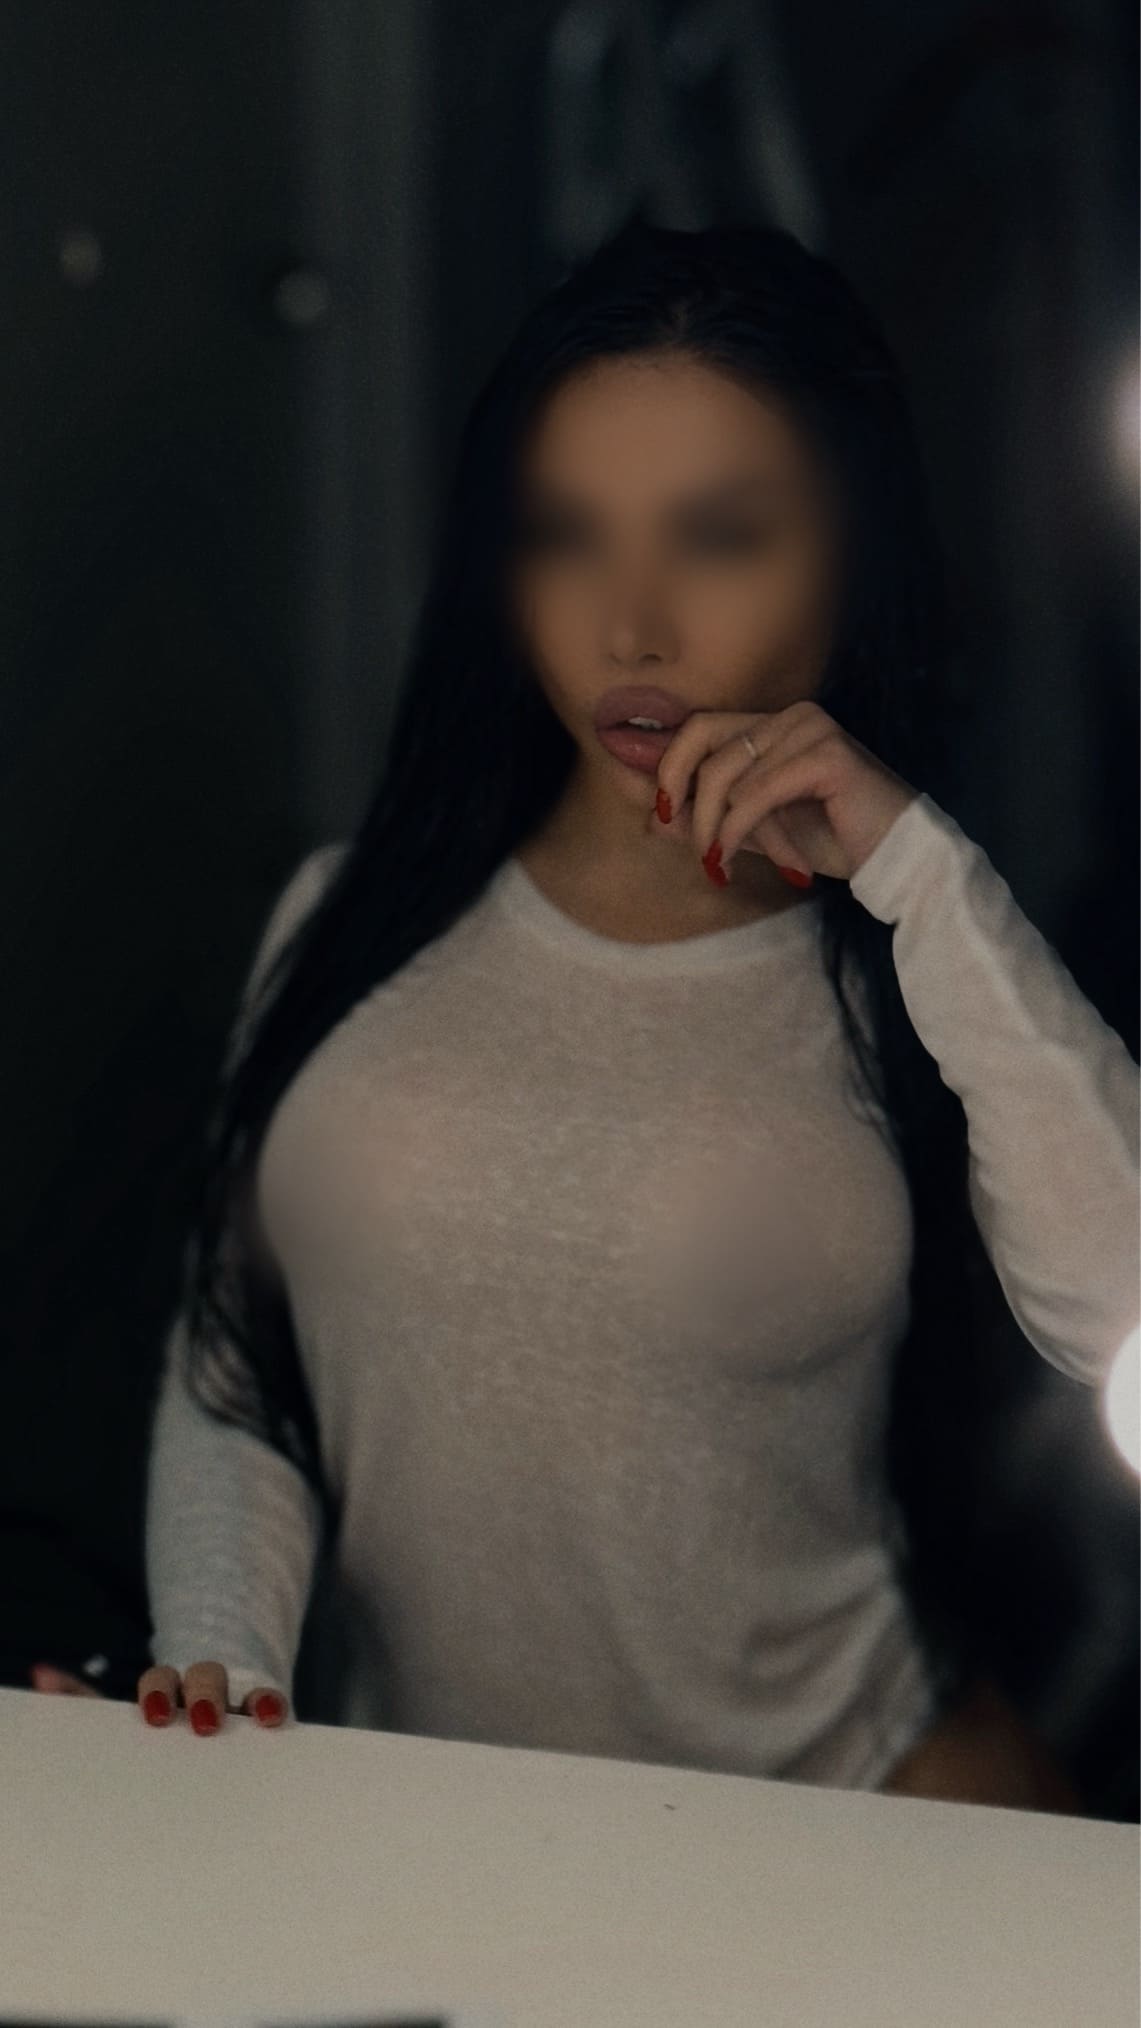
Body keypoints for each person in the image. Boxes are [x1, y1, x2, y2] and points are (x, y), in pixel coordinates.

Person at [34, 219, 1137, 1807]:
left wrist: (918, 871)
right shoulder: (341, 916)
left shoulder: (908, 965)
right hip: (448, 1843)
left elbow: (1124, 1314)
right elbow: (234, 1363)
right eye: (566, 534)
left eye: (717, 536)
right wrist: (224, 1671)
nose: (628, 625)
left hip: (854, 1825)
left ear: (851, 566)